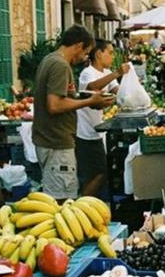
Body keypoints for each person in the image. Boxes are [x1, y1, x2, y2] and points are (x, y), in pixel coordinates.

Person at [32, 25, 115, 200]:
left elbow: (58, 97)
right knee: (62, 200)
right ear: (78, 45)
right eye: (86, 52)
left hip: (49, 139)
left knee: (56, 196)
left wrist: (82, 98)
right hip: (56, 141)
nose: (85, 57)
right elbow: (54, 105)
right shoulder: (60, 65)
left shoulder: (50, 60)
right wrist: (89, 101)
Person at [76, 40, 130, 196]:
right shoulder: (88, 72)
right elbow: (92, 88)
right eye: (110, 53)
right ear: (99, 54)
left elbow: (117, 91)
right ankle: (80, 205)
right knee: (98, 174)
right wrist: (117, 73)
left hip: (99, 130)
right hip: (86, 132)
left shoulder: (106, 73)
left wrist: (130, 90)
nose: (113, 57)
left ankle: (87, 204)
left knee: (101, 173)